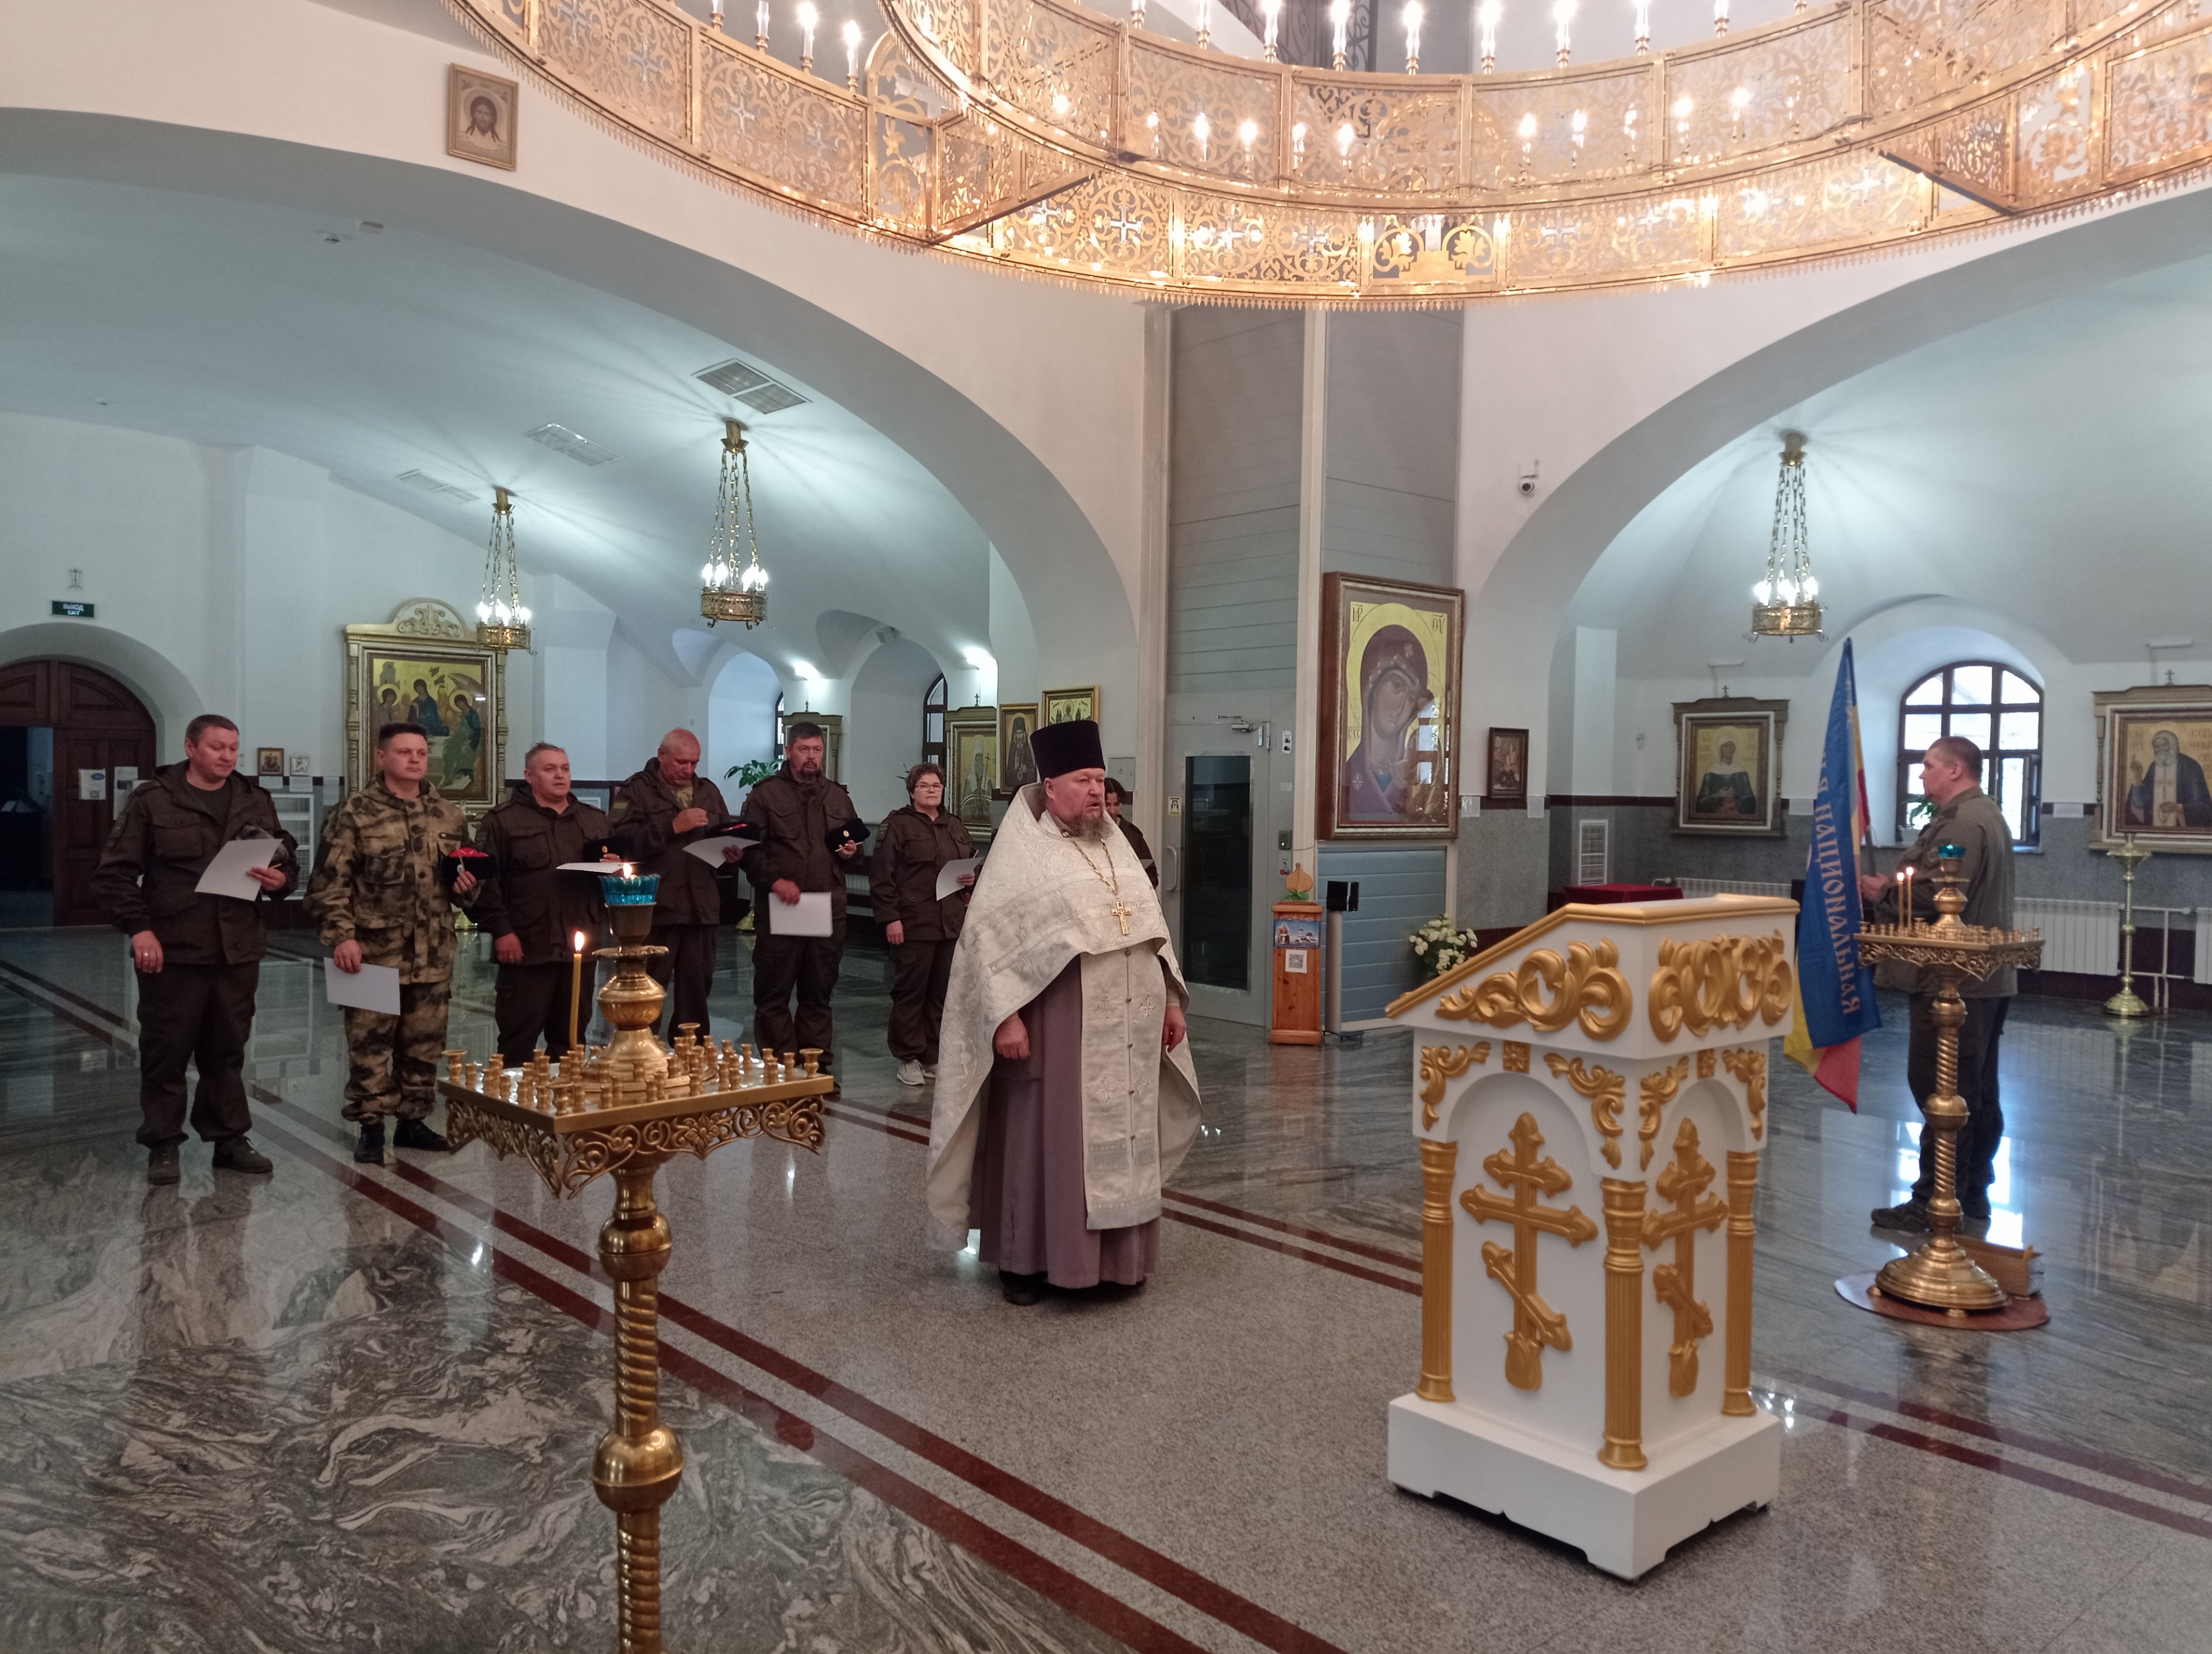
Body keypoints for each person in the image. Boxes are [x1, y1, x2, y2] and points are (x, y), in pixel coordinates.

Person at [926, 718, 1202, 1304]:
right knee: (1044, 1140)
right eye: (1083, 780)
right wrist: (1005, 1017)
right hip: (1055, 1024)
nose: (1097, 791)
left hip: (1130, 1026)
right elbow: (988, 942)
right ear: (1050, 786)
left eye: (1100, 780)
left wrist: (1172, 1001)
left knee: (1125, 1141)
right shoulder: (1023, 853)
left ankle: (1116, 1266)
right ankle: (1026, 1263)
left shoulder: (1116, 843)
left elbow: (1151, 928)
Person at [93, 714, 297, 1185]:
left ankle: (229, 1139)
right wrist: (140, 930)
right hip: (175, 946)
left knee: (227, 1049)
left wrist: (281, 880)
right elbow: (114, 874)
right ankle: (163, 1143)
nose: (227, 757)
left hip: (237, 945)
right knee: (166, 1049)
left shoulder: (254, 799)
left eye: (233, 748)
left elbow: (285, 859)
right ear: (190, 748)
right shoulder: (154, 799)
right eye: (217, 747)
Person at [1857, 735, 2016, 1232]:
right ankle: (1970, 1192)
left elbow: (1942, 895)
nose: (1922, 773)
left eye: (1928, 765)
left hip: (1952, 978)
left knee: (1942, 1090)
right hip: (1981, 977)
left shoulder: (1964, 821)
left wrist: (1885, 892)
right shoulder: (1981, 813)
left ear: (1954, 770)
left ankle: (1934, 1199)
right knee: (1975, 1089)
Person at [308, 722, 479, 1164]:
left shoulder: (449, 815)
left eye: (421, 752)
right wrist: (342, 937)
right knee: (370, 1043)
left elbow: (468, 880)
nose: (416, 760)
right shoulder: (354, 812)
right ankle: (371, 1126)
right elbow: (329, 883)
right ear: (381, 757)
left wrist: (467, 887)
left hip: (433, 951)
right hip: (372, 951)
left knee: (424, 1042)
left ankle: (413, 1121)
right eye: (405, 752)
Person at [470, 742, 620, 1068]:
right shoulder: (503, 821)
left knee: (571, 1040)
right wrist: (501, 931)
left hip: (580, 945)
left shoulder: (594, 821)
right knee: (518, 1040)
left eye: (565, 769)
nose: (560, 776)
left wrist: (616, 868)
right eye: (550, 769)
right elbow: (485, 883)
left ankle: (566, 1097)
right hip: (528, 945)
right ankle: (514, 1100)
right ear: (529, 776)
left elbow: (609, 882)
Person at [738, 722, 862, 1086]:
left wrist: (851, 852)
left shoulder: (837, 796)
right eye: (804, 750)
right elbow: (748, 851)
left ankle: (815, 1070)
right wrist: (774, 881)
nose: (811, 757)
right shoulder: (765, 795)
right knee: (774, 994)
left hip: (825, 908)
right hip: (782, 909)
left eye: (817, 750)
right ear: (789, 750)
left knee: (818, 994)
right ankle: (780, 1071)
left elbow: (853, 848)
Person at [609, 729, 740, 1037]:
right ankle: (641, 1050)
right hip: (656, 908)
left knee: (696, 993)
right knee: (647, 989)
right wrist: (671, 827)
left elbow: (723, 834)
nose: (688, 770)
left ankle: (690, 1054)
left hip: (701, 907)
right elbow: (619, 843)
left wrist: (733, 853)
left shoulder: (708, 791)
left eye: (694, 763)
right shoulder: (635, 790)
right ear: (661, 755)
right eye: (681, 762)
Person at [872, 762, 977, 1087]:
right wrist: (891, 918)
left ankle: (931, 1055)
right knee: (911, 993)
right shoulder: (898, 825)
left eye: (937, 786)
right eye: (925, 786)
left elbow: (969, 863)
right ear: (912, 791)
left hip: (949, 922)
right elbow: (882, 876)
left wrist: (971, 878)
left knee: (940, 993)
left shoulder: (954, 825)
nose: (932, 791)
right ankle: (908, 1057)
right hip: (914, 921)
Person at [1341, 625, 1434, 822]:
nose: (1400, 707)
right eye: (1397, 686)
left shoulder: (1413, 773)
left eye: (1411, 698)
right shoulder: (1346, 770)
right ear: (1373, 687)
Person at [2124, 727, 2212, 829]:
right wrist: (2137, 775)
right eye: (2157, 747)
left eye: (2164, 745)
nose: (2160, 749)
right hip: (2155, 827)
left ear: (2173, 745)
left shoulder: (2190, 766)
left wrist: (2177, 807)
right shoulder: (2154, 767)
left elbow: (2204, 807)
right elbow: (2142, 803)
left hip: (2181, 828)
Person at [1103, 777, 1158, 888]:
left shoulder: (1132, 834)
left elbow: (1150, 874)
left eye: (1117, 804)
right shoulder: (1085, 833)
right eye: (1107, 805)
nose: (1112, 810)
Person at [1695, 738, 1758, 817]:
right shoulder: (1711, 772)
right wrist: (1718, 795)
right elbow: (1701, 804)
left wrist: (1733, 800)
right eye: (1726, 746)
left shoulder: (1741, 771)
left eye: (1732, 745)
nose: (1729, 749)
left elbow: (1751, 801)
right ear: (1720, 749)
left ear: (1735, 748)